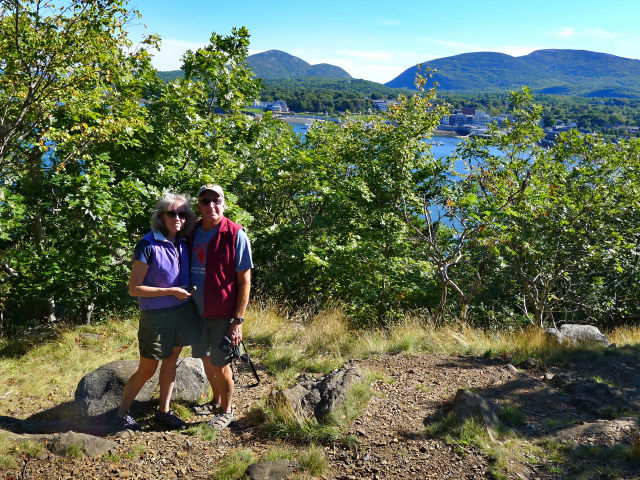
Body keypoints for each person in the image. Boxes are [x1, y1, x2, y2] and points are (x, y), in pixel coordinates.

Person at [116, 193, 197, 431]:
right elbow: (134, 289)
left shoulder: (182, 242)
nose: (177, 218)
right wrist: (171, 291)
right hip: (155, 317)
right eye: (171, 213)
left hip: (180, 314)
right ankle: (121, 414)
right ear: (161, 216)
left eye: (182, 214)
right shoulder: (148, 244)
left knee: (171, 362)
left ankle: (164, 411)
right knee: (148, 368)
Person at [189, 184, 253, 431]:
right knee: (205, 359)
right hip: (195, 311)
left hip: (223, 312)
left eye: (216, 201)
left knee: (221, 362)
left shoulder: (236, 234)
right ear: (200, 205)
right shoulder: (192, 230)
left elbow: (244, 279)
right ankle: (215, 401)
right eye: (205, 201)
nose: (211, 206)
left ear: (224, 204)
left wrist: (238, 321)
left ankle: (227, 411)